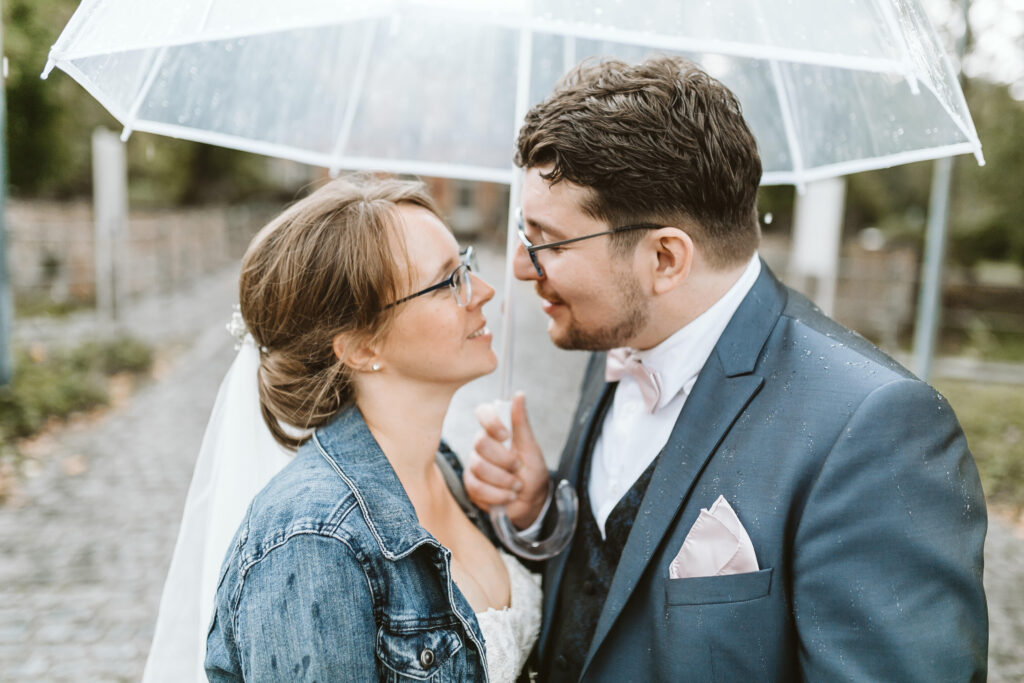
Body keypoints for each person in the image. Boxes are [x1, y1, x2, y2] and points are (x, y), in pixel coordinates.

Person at [465, 56, 988, 681]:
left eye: (544, 242)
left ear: (664, 258)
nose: (523, 269)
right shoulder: (614, 338)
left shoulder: (876, 430)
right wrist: (541, 512)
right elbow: (617, 586)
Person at [150, 175, 541, 682]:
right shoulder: (314, 543)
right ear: (361, 347)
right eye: (449, 282)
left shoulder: (445, 467)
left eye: (466, 265)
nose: (484, 291)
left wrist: (532, 516)